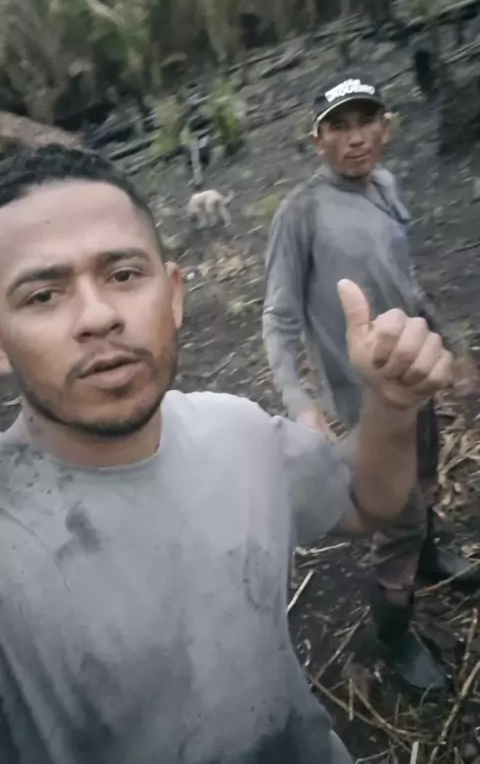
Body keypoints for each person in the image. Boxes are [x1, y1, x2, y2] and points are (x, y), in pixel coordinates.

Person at [0, 146, 452, 764]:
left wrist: (392, 404)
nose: (98, 316)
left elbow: (363, 501)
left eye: (124, 275)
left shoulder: (235, 431)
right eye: (43, 295)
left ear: (174, 294)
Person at [263, 73, 479, 693]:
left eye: (366, 123)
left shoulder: (385, 186)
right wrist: (301, 403)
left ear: (385, 128)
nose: (355, 139)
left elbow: (406, 284)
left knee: (426, 475)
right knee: (396, 517)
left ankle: (429, 555)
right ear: (318, 141)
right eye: (339, 127)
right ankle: (393, 632)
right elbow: (278, 317)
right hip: (363, 403)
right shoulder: (301, 212)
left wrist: (454, 346)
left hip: (414, 376)